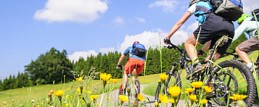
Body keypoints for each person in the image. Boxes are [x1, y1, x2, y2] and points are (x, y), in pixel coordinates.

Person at [164, 0, 234, 72]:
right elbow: (210, 39)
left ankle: (196, 65)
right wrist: (202, 51)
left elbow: (180, 23)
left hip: (214, 24)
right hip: (230, 28)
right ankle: (211, 81)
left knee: (188, 43)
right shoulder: (214, 8)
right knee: (208, 65)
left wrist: (168, 37)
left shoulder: (196, 5)